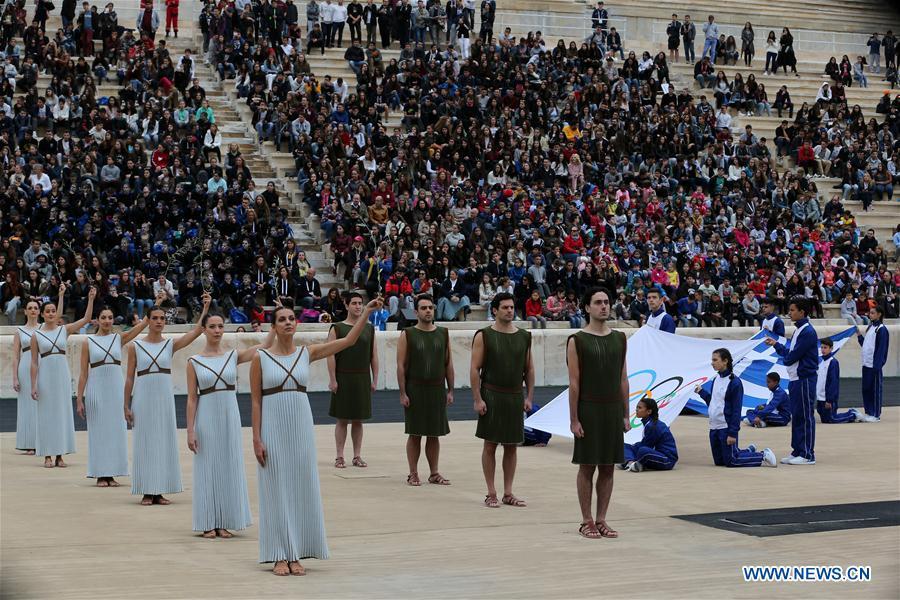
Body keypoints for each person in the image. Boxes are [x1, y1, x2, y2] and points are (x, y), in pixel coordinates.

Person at [250, 297, 382, 576]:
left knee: (300, 486)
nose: (287, 323)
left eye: (291, 319)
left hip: (300, 425)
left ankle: (296, 552)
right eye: (282, 319)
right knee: (275, 488)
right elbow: (256, 402)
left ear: (296, 324)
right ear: (273, 326)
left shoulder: (306, 353)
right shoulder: (260, 358)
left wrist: (366, 313)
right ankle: (278, 555)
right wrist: (257, 439)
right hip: (273, 426)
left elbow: (346, 343)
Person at [186, 311, 275, 538]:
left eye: (220, 326)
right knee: (207, 466)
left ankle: (225, 519)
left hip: (229, 415)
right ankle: (208, 521)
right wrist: (190, 430)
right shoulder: (194, 362)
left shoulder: (232, 356)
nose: (217, 330)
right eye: (212, 326)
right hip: (206, 416)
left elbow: (265, 345)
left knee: (228, 464)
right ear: (204, 330)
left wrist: (274, 323)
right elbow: (192, 399)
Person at [124, 293, 211, 506]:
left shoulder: (169, 345)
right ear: (148, 320)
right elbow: (128, 378)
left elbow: (197, 331)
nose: (159, 322)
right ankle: (147, 489)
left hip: (164, 397)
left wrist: (205, 307)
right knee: (145, 442)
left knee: (163, 441)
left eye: (162, 319)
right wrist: (125, 404)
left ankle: (160, 489)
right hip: (143, 397)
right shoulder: (135, 346)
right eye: (155, 318)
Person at [568, 288, 629, 540]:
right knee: (587, 466)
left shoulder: (620, 338)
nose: (604, 306)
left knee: (608, 467)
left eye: (606, 302)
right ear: (587, 308)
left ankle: (602, 518)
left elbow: (623, 378)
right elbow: (574, 383)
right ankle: (586, 520)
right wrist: (574, 419)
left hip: (612, 409)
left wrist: (626, 414)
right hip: (589, 409)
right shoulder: (577, 340)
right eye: (598, 303)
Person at [471, 292, 535, 508]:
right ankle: (491, 492)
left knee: (511, 446)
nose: (509, 310)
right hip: (491, 394)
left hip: (514, 396)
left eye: (511, 307)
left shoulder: (524, 336)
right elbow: (474, 368)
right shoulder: (484, 335)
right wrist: (477, 398)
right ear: (495, 310)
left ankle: (508, 492)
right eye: (505, 307)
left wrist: (530, 397)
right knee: (490, 445)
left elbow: (529, 368)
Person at [76, 305, 149, 486]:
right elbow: (83, 373)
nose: (107, 321)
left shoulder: (118, 338)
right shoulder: (88, 342)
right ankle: (101, 474)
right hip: (96, 389)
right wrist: (79, 398)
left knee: (116, 431)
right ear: (97, 320)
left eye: (110, 317)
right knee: (99, 432)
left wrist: (156, 303)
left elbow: (139, 328)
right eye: (104, 317)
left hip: (116, 389)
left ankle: (113, 472)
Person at [31, 285, 97, 469]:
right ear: (42, 314)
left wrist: (91, 299)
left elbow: (86, 319)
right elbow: (34, 362)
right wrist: (33, 385)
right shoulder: (37, 335)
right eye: (48, 311)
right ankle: (47, 454)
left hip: (61, 374)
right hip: (45, 376)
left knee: (61, 414)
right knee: (46, 414)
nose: (51, 314)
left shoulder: (64, 330)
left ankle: (60, 454)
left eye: (54, 311)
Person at [396, 294, 454, 487]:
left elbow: (448, 364)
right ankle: (413, 473)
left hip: (437, 389)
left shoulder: (443, 333)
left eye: (430, 307)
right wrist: (403, 392)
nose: (428, 311)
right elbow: (401, 365)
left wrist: (451, 390)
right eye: (423, 308)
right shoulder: (408, 334)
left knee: (434, 433)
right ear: (416, 311)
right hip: (415, 389)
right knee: (415, 433)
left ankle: (434, 472)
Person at [695, 349, 777, 468]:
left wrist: (732, 433)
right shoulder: (715, 379)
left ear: (725, 361)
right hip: (714, 427)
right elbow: (713, 402)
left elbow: (736, 410)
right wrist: (701, 392)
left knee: (731, 461)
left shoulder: (734, 383)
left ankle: (762, 455)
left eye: (715, 360)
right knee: (719, 461)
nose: (712, 363)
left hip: (725, 427)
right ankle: (748, 451)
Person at [327, 291, 378, 468]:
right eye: (354, 303)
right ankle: (339, 456)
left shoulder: (369, 328)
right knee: (342, 419)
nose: (358, 306)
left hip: (362, 377)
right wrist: (333, 379)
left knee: (358, 419)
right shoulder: (337, 328)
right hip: (343, 376)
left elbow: (374, 355)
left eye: (360, 303)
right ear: (347, 305)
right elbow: (330, 355)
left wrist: (375, 379)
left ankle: (357, 455)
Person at [764, 297, 818, 465]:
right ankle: (798, 450)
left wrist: (784, 356)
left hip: (804, 379)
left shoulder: (807, 331)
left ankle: (808, 454)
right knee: (798, 415)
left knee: (805, 416)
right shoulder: (798, 330)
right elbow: (791, 352)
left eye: (793, 310)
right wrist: (776, 345)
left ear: (802, 312)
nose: (790, 312)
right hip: (796, 379)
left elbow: (792, 356)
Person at [11, 299, 42, 454]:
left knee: (42, 404)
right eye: (30, 308)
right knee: (27, 405)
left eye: (35, 308)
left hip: (42, 365)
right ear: (25, 311)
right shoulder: (19, 331)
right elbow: (16, 356)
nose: (33, 310)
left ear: (39, 311)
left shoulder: (44, 328)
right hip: (25, 367)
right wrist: (15, 377)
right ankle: (29, 442)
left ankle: (42, 440)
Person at [620, 398, 678, 472]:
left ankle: (631, 462)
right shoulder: (649, 423)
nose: (637, 410)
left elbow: (647, 446)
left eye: (640, 408)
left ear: (649, 411)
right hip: (655, 453)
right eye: (637, 407)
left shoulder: (653, 426)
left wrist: (635, 448)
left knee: (642, 450)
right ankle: (630, 462)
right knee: (624, 446)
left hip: (667, 460)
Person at [816, 337, 862, 424]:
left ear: (831, 348)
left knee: (831, 419)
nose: (823, 350)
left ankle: (853, 414)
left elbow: (833, 382)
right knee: (825, 420)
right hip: (820, 398)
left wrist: (829, 400)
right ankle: (850, 413)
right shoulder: (821, 362)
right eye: (821, 347)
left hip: (828, 399)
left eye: (825, 348)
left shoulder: (833, 362)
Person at [857, 305, 889, 422]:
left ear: (879, 314)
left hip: (874, 366)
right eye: (870, 313)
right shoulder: (870, 327)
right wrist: (860, 336)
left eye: (872, 313)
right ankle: (868, 412)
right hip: (866, 364)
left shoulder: (881, 329)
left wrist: (877, 365)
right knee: (866, 389)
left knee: (875, 390)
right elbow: (866, 346)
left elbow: (881, 349)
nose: (870, 315)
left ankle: (875, 414)